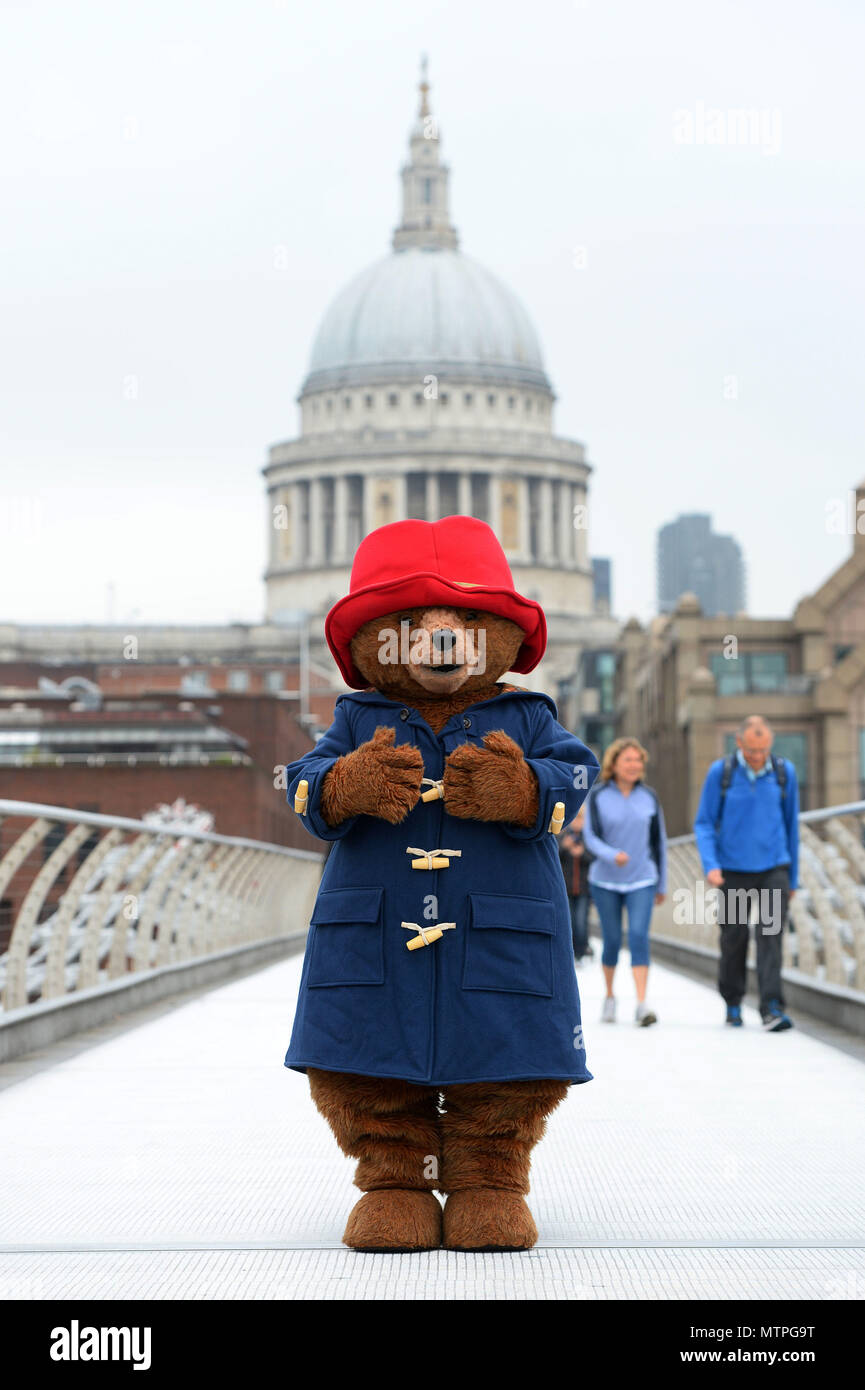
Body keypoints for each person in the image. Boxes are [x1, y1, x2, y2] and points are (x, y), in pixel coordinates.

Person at [694, 715, 799, 1032]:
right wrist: (711, 865)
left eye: (763, 749)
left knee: (770, 938)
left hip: (773, 868)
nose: (758, 757)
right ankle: (733, 1003)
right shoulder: (722, 773)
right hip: (733, 871)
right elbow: (704, 823)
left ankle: (771, 1007)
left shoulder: (783, 773)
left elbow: (792, 825)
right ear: (739, 743)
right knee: (734, 939)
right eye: (752, 750)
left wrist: (792, 877)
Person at [582, 738, 667, 1026]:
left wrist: (662, 884)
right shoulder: (598, 796)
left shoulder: (650, 797)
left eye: (638, 760)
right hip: (605, 880)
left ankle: (642, 1004)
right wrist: (610, 854)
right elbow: (590, 836)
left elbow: (659, 842)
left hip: (642, 878)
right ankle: (609, 997)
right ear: (614, 764)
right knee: (612, 941)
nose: (634, 765)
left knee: (640, 937)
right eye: (628, 760)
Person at [559, 806, 594, 962]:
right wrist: (564, 847)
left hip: (583, 889)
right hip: (565, 888)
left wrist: (582, 854)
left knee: (581, 921)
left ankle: (582, 950)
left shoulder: (588, 839)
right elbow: (554, 858)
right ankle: (572, 952)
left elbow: (593, 859)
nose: (577, 822)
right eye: (575, 818)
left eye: (581, 819)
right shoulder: (562, 837)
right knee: (570, 921)